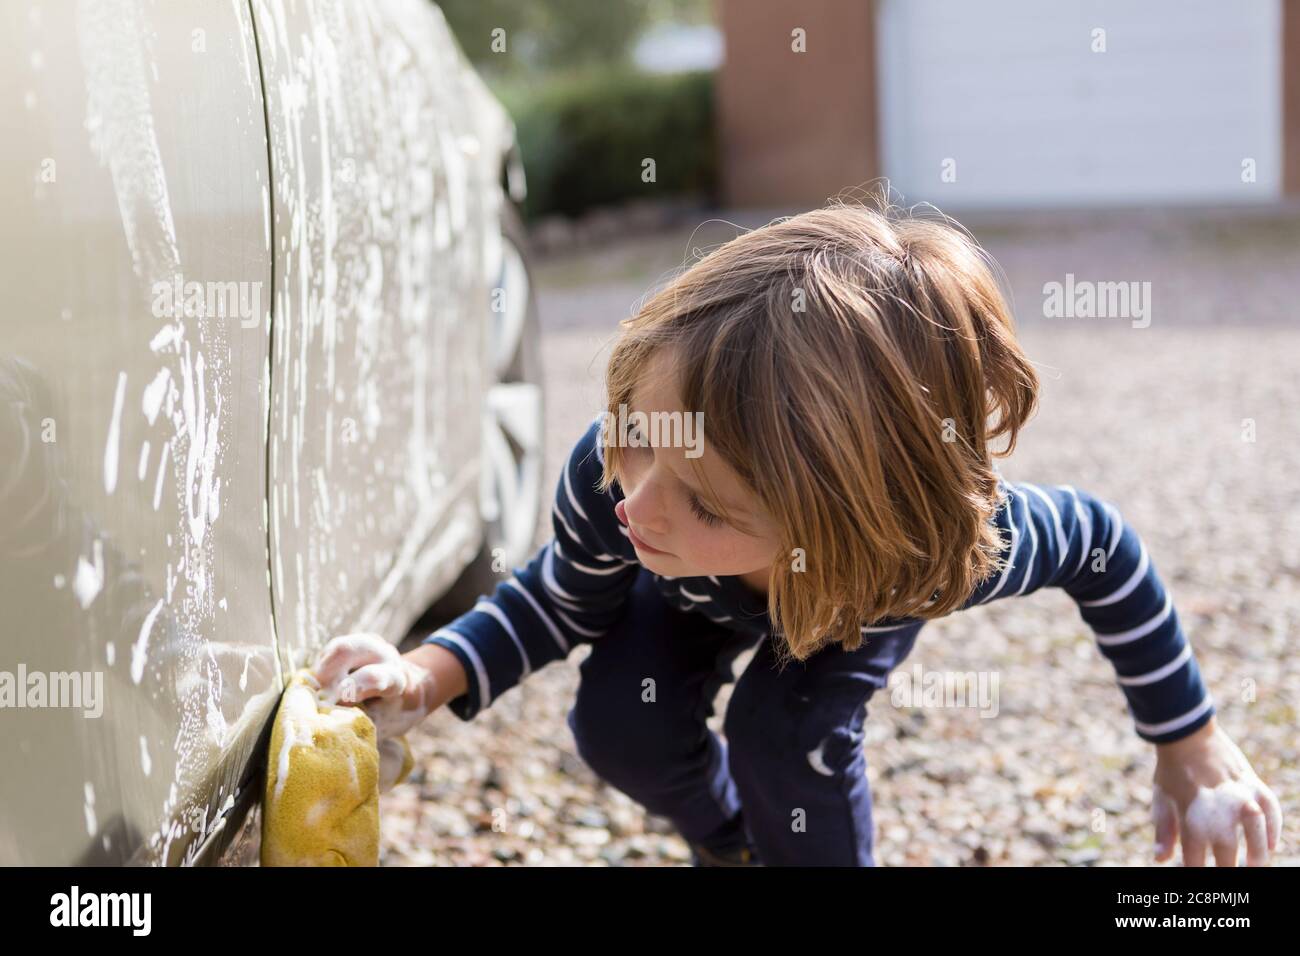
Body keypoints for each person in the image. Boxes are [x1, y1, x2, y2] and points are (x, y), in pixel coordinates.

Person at [312, 198, 1282, 867]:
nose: (636, 503)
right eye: (635, 435)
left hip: (842, 601)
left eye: (703, 500)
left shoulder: (922, 549)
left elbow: (1103, 547)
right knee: (619, 722)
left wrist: (1184, 739)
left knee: (785, 737)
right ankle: (729, 839)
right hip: (689, 590)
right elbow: (558, 595)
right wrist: (426, 673)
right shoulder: (617, 478)